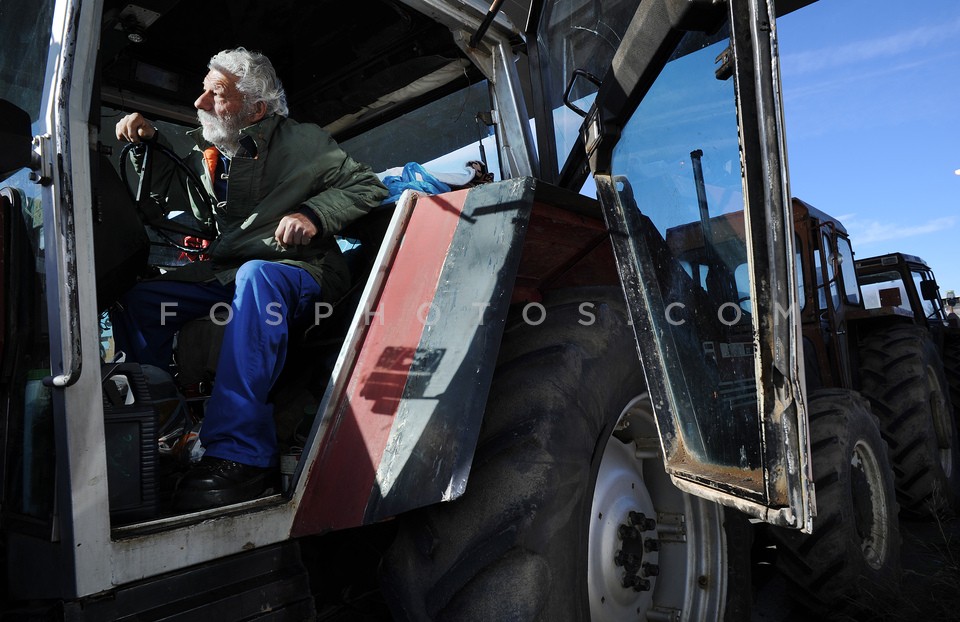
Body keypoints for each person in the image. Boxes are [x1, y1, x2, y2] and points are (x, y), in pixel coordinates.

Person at [112, 47, 388, 510]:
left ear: (255, 109)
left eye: (215, 93)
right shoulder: (216, 154)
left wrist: (314, 214)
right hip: (230, 270)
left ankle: (238, 453)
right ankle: (163, 432)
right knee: (141, 300)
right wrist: (147, 147)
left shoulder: (302, 141)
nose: (199, 102)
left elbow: (368, 187)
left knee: (258, 278)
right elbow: (195, 207)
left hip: (300, 270)